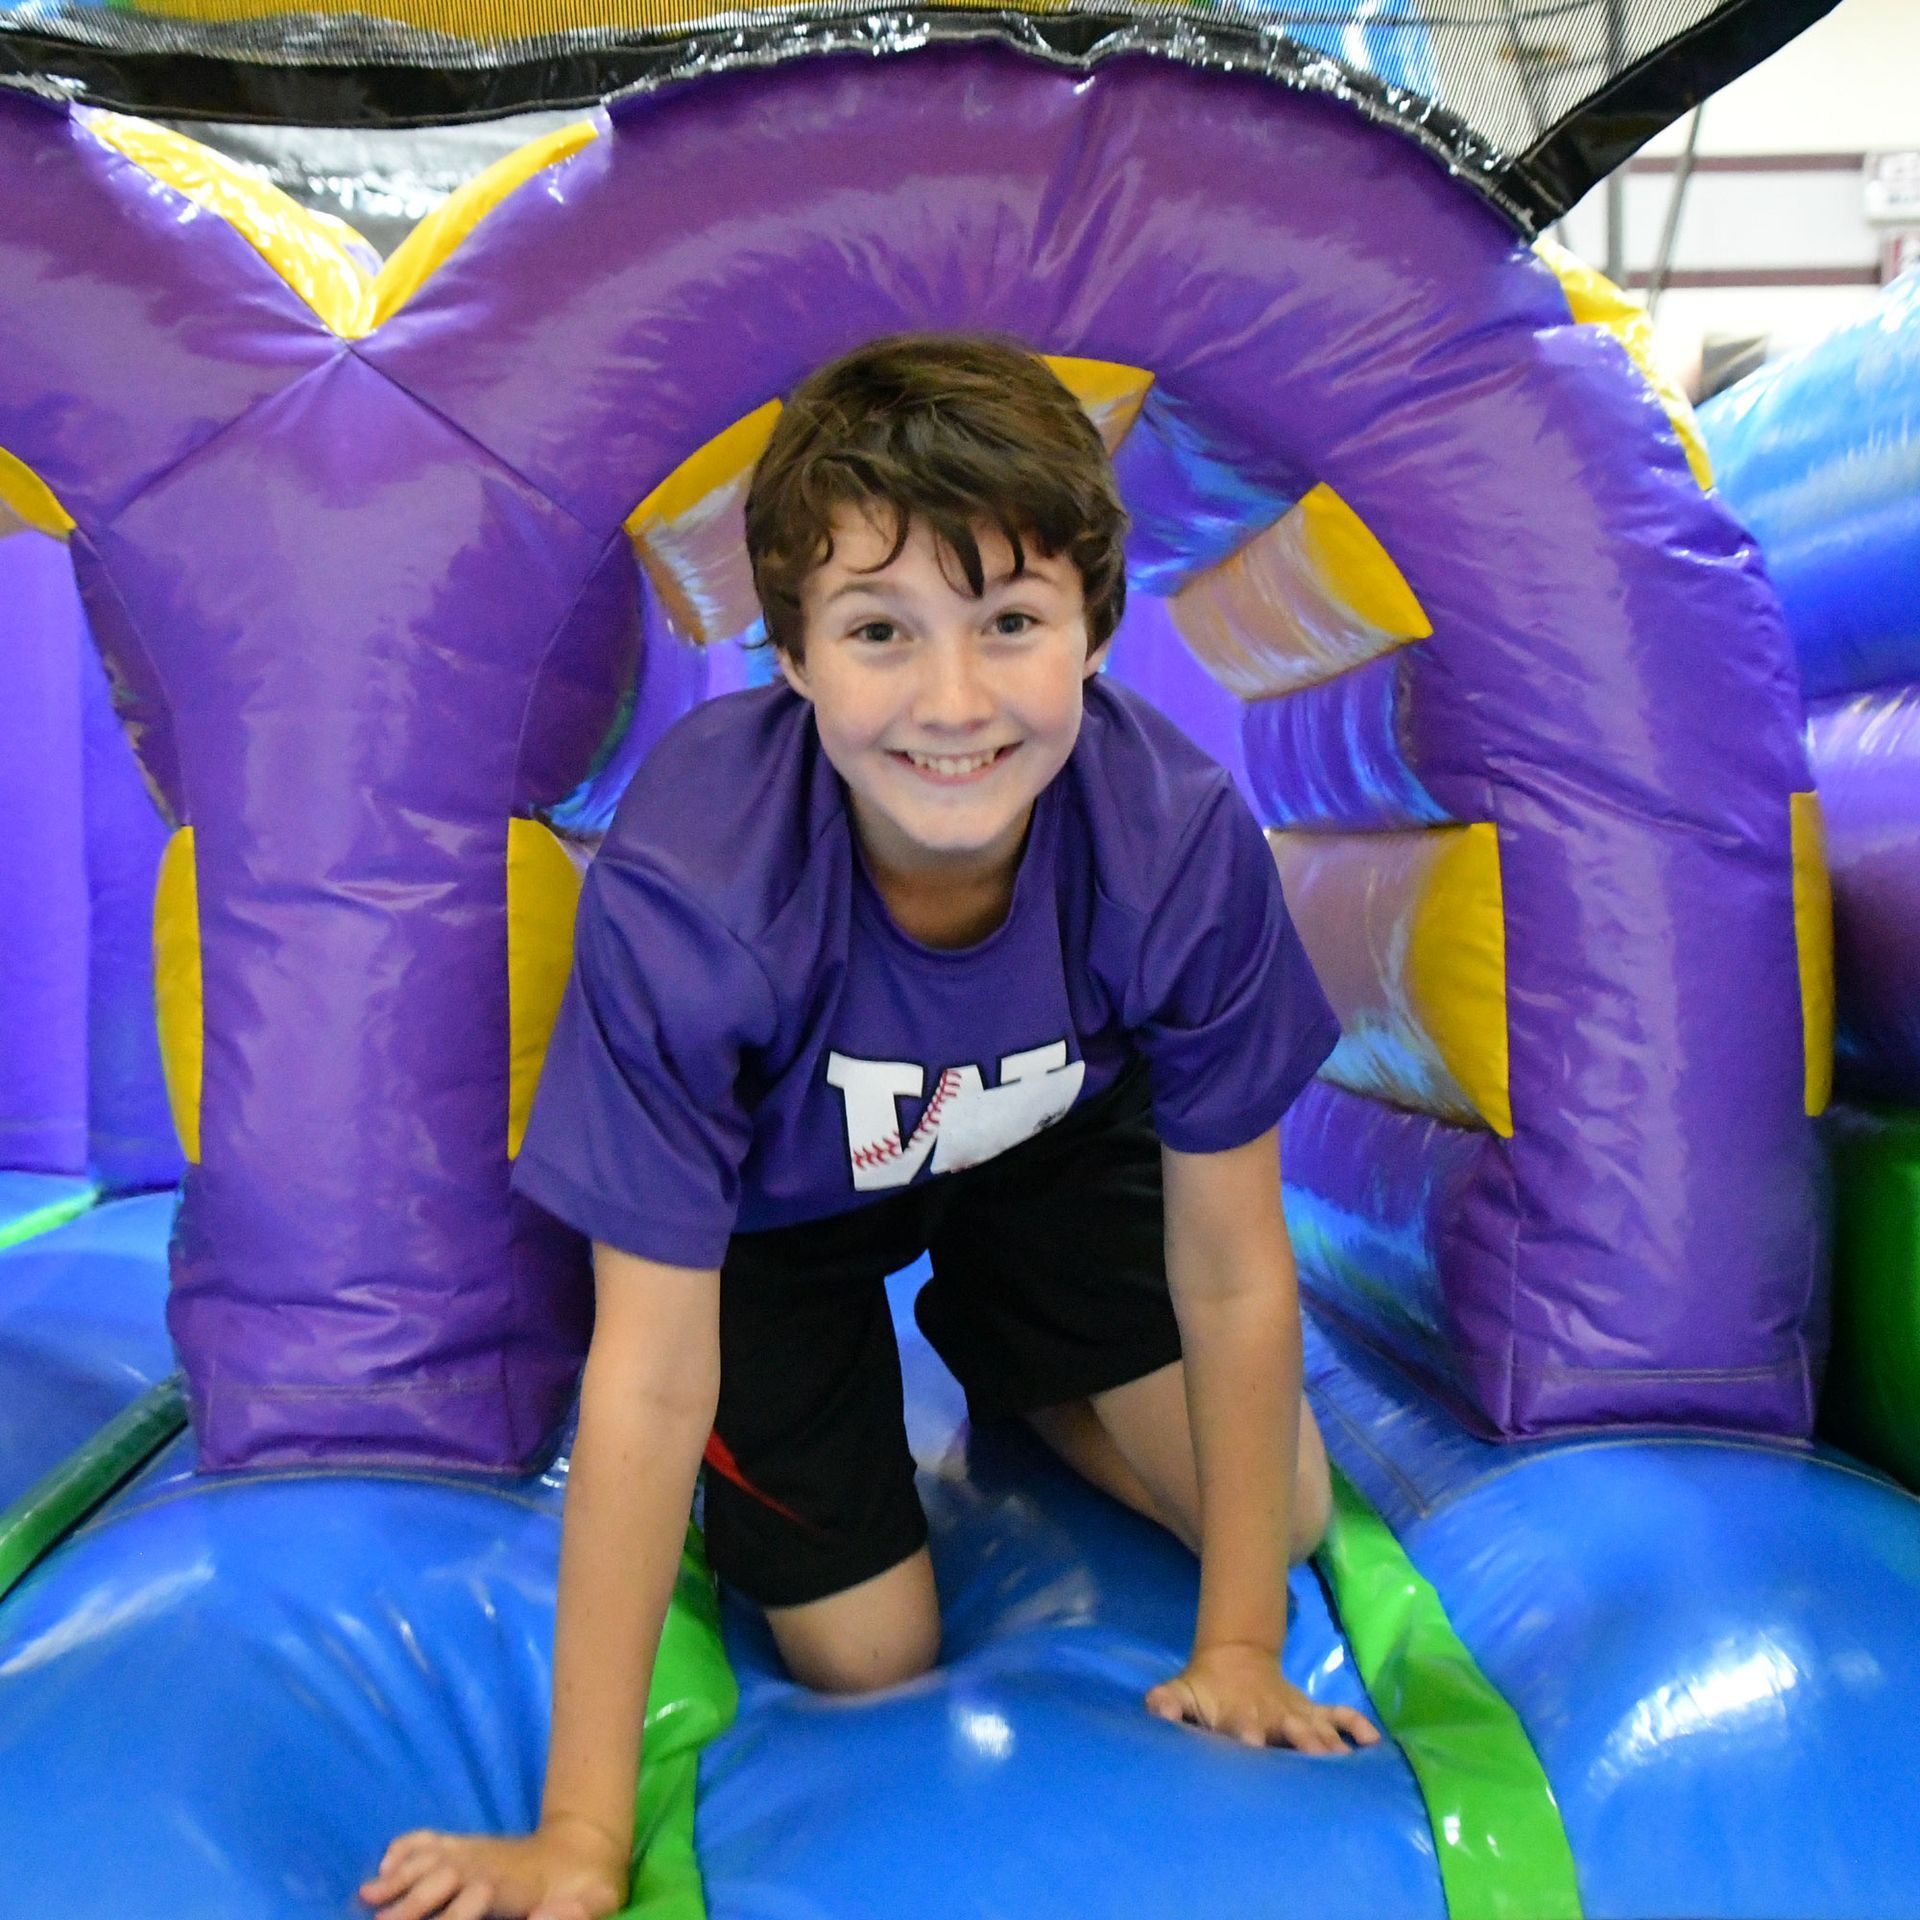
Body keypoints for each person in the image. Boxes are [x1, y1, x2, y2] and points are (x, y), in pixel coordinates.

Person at [360, 333, 1376, 1920]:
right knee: (864, 1651)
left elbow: (1236, 1264)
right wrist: (580, 1832)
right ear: (792, 657)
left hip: (1036, 1143)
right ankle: (978, 1360)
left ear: (1096, 636)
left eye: (1013, 624)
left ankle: (1016, 1344)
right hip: (774, 1221)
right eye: (880, 630)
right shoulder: (702, 887)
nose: (953, 701)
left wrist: (1238, 1644)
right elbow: (646, 1361)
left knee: (1289, 1504)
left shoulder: (1172, 840)